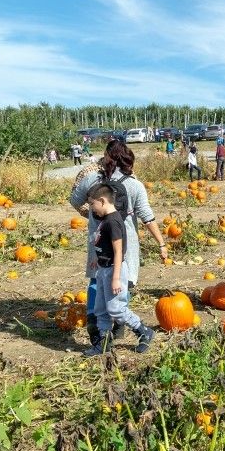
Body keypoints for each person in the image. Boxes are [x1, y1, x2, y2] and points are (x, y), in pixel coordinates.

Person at [70, 141, 169, 349]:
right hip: (125, 244)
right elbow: (147, 218)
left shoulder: (93, 179)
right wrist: (161, 243)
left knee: (97, 283)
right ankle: (117, 328)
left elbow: (75, 200)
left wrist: (90, 209)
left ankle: (97, 331)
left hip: (97, 241)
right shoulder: (134, 185)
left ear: (106, 157)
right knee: (123, 283)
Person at [85, 184, 155, 355]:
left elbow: (118, 251)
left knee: (116, 308)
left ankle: (143, 331)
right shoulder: (105, 220)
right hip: (103, 269)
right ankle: (104, 343)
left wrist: (116, 278)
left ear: (102, 201)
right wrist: (96, 259)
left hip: (113, 271)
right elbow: (102, 243)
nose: (91, 208)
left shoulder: (113, 222)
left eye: (92, 204)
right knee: (100, 309)